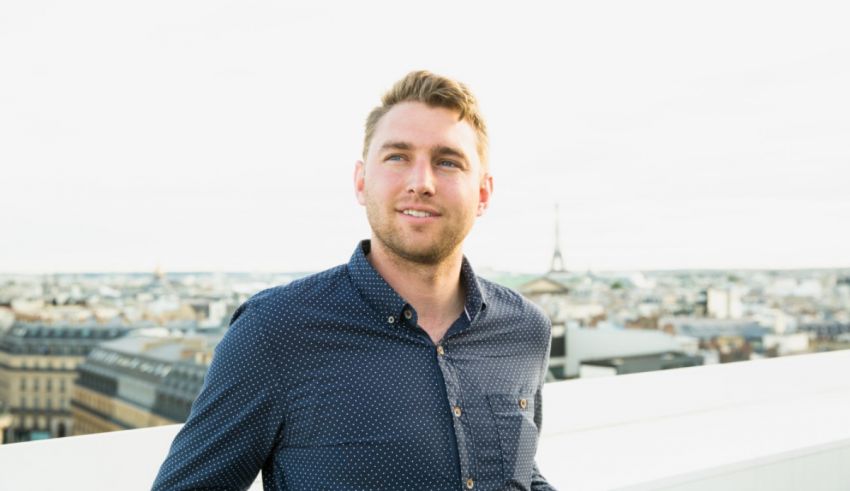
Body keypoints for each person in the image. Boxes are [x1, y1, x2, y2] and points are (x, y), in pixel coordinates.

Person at [153, 70, 555, 490]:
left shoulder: (524, 329)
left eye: (448, 162)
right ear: (362, 182)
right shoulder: (275, 332)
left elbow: (520, 474)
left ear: (484, 194)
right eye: (397, 157)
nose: (421, 182)